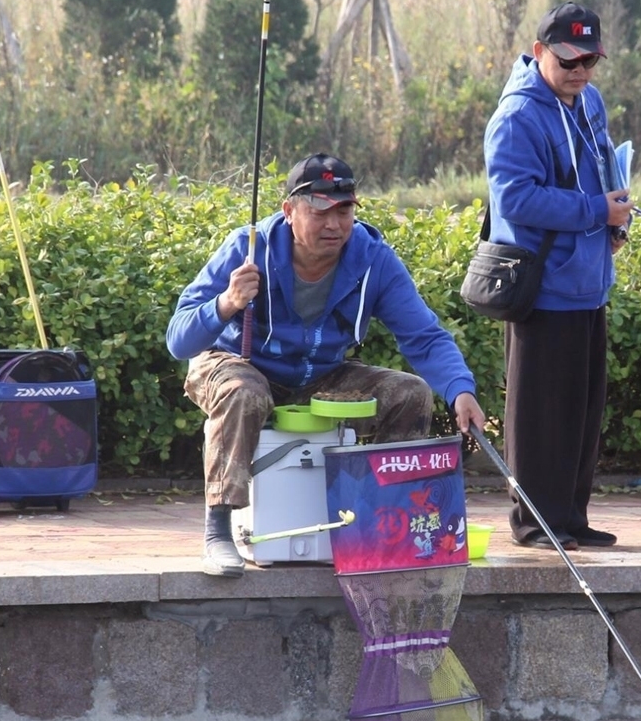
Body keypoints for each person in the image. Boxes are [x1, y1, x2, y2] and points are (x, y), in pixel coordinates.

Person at [166, 153, 487, 576]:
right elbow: (179, 339)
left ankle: (379, 525)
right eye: (319, 211)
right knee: (244, 392)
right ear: (289, 211)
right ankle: (219, 532)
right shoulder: (247, 247)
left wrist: (460, 389)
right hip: (233, 364)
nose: (333, 224)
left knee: (409, 393)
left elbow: (423, 334)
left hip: (318, 374)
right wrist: (226, 303)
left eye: (344, 210)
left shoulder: (374, 259)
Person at [484, 2, 633, 550]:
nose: (580, 71)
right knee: (540, 416)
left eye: (590, 59)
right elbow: (516, 199)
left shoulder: (588, 101)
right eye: (569, 59)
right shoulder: (517, 117)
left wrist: (617, 222)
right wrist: (597, 211)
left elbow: (604, 171)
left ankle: (571, 517)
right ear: (540, 51)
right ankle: (535, 523)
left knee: (582, 411)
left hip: (588, 283)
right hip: (543, 288)